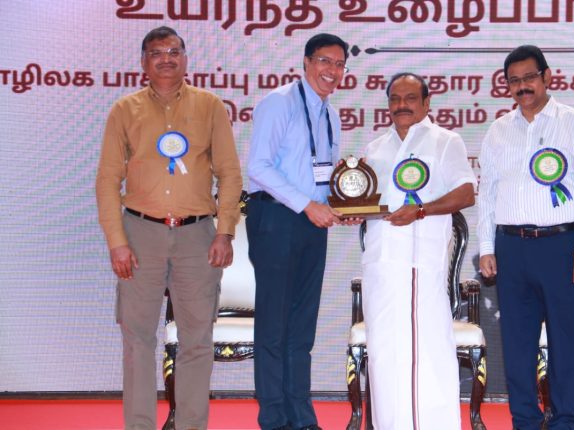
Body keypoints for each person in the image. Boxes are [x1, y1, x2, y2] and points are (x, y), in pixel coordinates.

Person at [95, 26, 242, 430]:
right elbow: (107, 180)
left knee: (197, 340)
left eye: (174, 51)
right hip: (140, 234)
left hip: (198, 236)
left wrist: (225, 231)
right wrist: (117, 242)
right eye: (157, 53)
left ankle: (192, 425)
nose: (166, 59)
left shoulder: (210, 106)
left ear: (185, 59)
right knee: (138, 340)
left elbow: (229, 173)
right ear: (143, 61)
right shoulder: (124, 110)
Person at [477, 45, 574, 429]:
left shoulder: (573, 123)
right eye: (514, 81)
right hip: (511, 247)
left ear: (547, 77)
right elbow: (487, 194)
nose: (523, 86)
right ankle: (525, 420)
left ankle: (566, 420)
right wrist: (486, 246)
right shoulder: (498, 130)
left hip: (560, 247)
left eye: (529, 78)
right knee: (517, 342)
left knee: (564, 338)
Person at [246, 33, 351, 430]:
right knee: (274, 325)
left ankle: (301, 417)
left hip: (312, 223)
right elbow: (258, 167)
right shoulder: (279, 103)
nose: (332, 71)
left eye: (339, 64)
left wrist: (343, 206)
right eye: (325, 61)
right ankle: (274, 418)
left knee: (302, 326)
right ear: (306, 63)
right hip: (276, 220)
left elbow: (325, 177)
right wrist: (308, 205)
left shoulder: (331, 114)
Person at [361, 72, 476, 429]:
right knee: (383, 355)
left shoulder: (444, 141)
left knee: (425, 355)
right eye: (395, 99)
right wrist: (352, 208)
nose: (402, 105)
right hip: (379, 266)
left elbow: (466, 193)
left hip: (418, 267)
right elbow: (367, 202)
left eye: (410, 98)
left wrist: (422, 209)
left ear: (427, 103)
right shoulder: (375, 148)